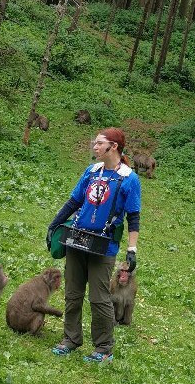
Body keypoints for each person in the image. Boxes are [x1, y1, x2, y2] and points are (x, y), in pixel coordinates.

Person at [46, 127, 141, 362]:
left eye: (99, 143)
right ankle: (71, 339)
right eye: (95, 143)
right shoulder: (91, 171)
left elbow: (133, 217)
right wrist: (54, 225)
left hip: (103, 246)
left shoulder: (129, 178)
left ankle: (104, 348)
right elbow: (74, 202)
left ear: (113, 147)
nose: (95, 147)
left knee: (99, 298)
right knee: (73, 293)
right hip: (77, 239)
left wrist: (131, 249)